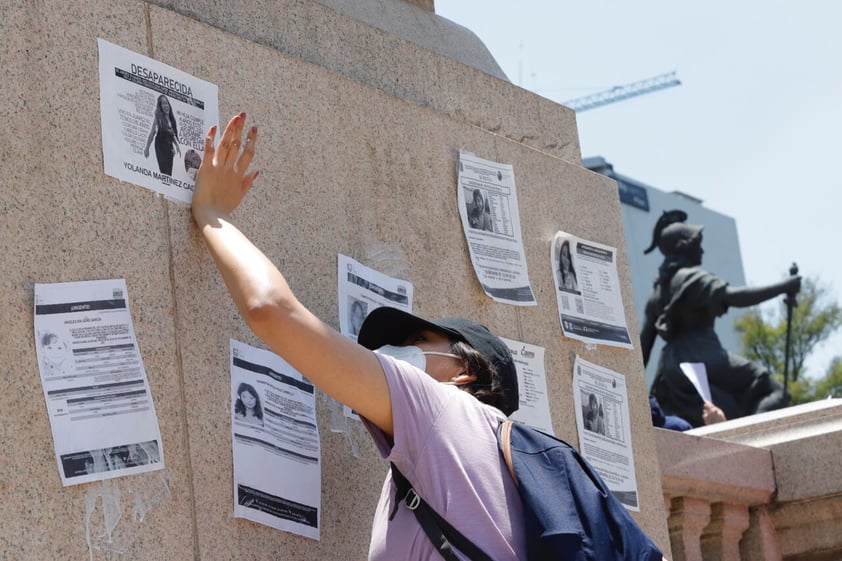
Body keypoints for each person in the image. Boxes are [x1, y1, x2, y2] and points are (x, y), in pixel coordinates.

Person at [192, 113, 526, 559]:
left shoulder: (445, 412)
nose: (394, 352)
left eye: (416, 340)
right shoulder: (479, 475)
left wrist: (212, 214)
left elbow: (270, 309)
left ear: (463, 373)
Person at [640, 221, 800, 427]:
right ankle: (753, 441)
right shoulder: (693, 279)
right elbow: (733, 297)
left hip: (670, 370)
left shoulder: (657, 293)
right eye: (697, 243)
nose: (702, 249)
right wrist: (784, 286)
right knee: (774, 391)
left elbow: (643, 347)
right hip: (705, 356)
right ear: (684, 246)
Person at [144, 94, 181, 175]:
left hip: (169, 148)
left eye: (166, 103)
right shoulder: (159, 118)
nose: (165, 105)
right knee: (164, 172)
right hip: (160, 147)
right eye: (163, 103)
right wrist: (147, 148)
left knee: (169, 173)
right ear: (160, 106)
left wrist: (176, 145)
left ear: (169, 105)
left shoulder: (171, 119)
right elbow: (152, 133)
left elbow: (171, 134)